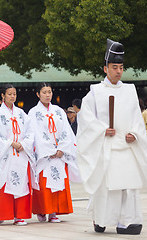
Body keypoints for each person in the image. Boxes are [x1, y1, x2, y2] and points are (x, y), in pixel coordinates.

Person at [77, 39, 147, 235]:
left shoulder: (130, 90)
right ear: (105, 68)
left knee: (129, 187)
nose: (118, 71)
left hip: (127, 146)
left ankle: (129, 222)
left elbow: (137, 119)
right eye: (114, 67)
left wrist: (135, 133)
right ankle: (102, 219)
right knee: (109, 188)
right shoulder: (95, 92)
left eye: (121, 67)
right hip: (107, 146)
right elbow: (86, 119)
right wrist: (101, 130)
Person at [0, 84, 35, 225]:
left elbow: (30, 131)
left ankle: (19, 215)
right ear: (3, 96)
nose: (12, 96)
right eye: (9, 94)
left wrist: (24, 143)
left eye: (14, 94)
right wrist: (11, 143)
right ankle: (2, 213)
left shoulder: (21, 114)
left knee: (22, 182)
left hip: (21, 152)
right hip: (6, 153)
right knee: (5, 182)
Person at [28, 82, 79, 223]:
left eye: (49, 92)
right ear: (38, 94)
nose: (47, 95)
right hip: (45, 155)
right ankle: (43, 210)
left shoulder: (58, 111)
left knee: (58, 182)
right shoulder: (33, 112)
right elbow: (35, 134)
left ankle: (54, 212)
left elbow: (66, 131)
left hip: (59, 154)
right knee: (44, 184)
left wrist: (62, 148)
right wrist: (48, 150)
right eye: (44, 92)